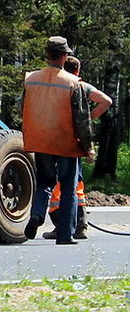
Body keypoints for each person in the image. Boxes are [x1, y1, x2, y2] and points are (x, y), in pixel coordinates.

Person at [22, 35, 89, 244]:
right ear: (64, 57)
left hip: (40, 140)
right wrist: (88, 147)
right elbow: (81, 117)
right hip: (65, 142)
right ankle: (65, 235)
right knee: (68, 186)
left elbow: (23, 108)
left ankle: (37, 214)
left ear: (47, 55)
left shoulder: (31, 78)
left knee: (44, 181)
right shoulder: (72, 82)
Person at [41, 54, 112, 240]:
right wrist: (89, 119)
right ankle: (76, 225)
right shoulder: (80, 86)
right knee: (74, 184)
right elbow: (107, 101)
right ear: (78, 70)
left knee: (64, 186)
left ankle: (69, 225)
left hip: (57, 142)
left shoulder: (68, 85)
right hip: (75, 142)